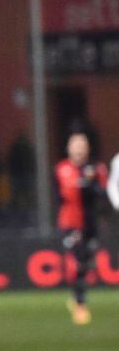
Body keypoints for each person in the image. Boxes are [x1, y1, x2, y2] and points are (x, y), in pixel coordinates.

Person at [55, 132, 108, 325]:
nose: (78, 148)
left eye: (82, 144)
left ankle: (77, 296)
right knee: (77, 260)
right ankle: (80, 304)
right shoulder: (61, 169)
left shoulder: (97, 169)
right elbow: (57, 197)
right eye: (75, 144)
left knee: (87, 262)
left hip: (91, 224)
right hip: (70, 223)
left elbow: (103, 195)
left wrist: (91, 183)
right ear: (69, 148)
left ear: (87, 148)